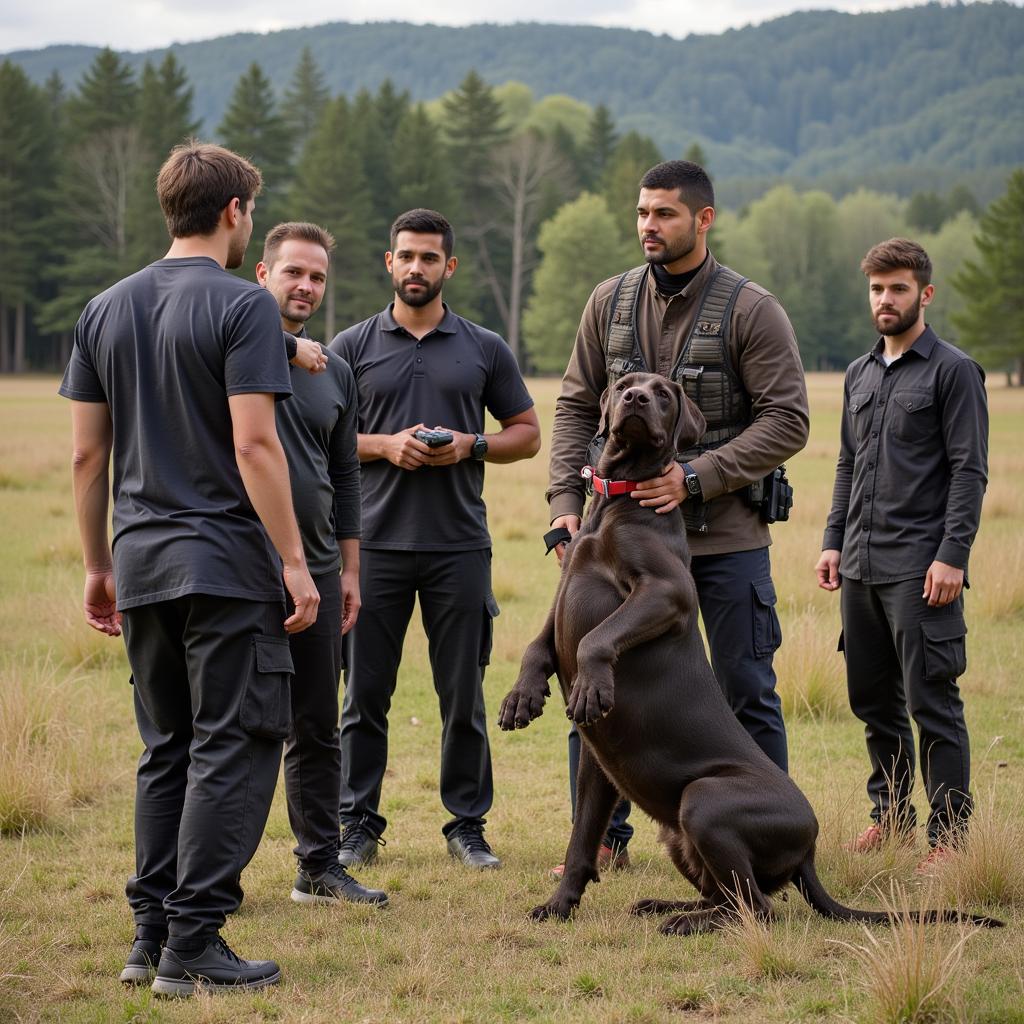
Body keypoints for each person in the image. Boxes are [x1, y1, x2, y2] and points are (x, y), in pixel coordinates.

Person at [60, 142, 320, 996]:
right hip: (225, 565)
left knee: (164, 746)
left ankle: (148, 938)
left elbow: (87, 461)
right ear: (235, 211)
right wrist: (294, 559)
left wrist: (99, 565)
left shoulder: (103, 308)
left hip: (138, 563)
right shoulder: (245, 307)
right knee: (233, 743)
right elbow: (255, 442)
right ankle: (195, 943)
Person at [546, 159, 808, 874]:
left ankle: (768, 847)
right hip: (614, 539)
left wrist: (696, 477)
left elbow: (789, 418)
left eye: (664, 213)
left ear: (703, 219)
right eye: (642, 213)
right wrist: (568, 506)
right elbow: (574, 406)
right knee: (592, 688)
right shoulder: (609, 301)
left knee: (746, 692)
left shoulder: (751, 309)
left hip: (723, 541)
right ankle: (601, 842)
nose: (649, 226)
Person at [329, 208, 541, 869]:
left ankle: (466, 827)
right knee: (364, 697)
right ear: (388, 264)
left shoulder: (483, 347)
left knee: (462, 697)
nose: (415, 267)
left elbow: (527, 433)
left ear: (449, 267)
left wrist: (472, 446)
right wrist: (384, 446)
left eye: (429, 257)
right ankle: (355, 826)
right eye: (405, 256)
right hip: (372, 548)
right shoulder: (350, 347)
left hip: (458, 547)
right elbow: (317, 434)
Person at [816, 238, 988, 872]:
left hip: (921, 570)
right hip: (860, 566)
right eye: (876, 289)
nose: (884, 300)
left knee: (932, 702)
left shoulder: (953, 371)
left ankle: (948, 839)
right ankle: (889, 817)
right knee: (873, 702)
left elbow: (970, 471)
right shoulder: (860, 374)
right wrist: (833, 541)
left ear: (925, 293)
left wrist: (953, 555)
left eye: (897, 289)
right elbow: (847, 462)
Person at [255, 222, 388, 908]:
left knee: (316, 722)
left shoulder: (334, 368)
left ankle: (319, 866)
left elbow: (345, 474)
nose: (305, 286)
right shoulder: (231, 349)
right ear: (261, 275)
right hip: (242, 567)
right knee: (226, 725)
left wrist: (350, 570)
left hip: (322, 566)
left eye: (317, 277)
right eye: (293, 273)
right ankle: (205, 879)